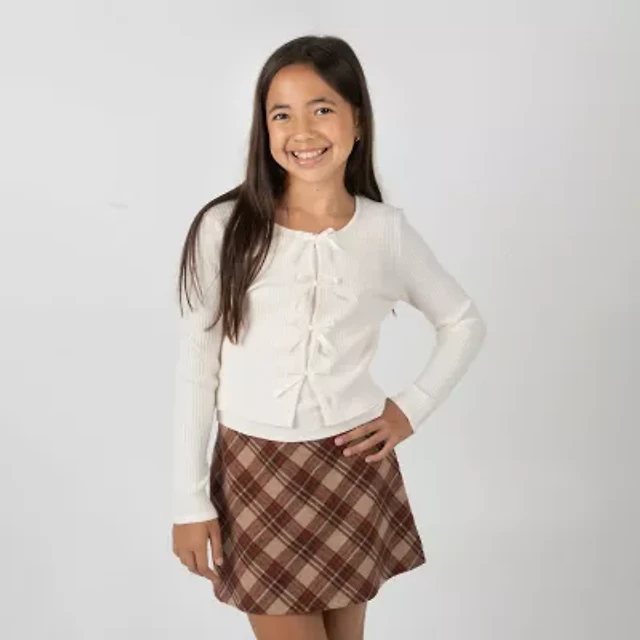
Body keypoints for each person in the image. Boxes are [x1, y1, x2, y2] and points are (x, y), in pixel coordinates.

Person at [170, 34, 487, 640]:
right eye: (281, 115)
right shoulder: (225, 227)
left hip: (351, 463)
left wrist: (408, 410)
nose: (302, 131)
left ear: (357, 121)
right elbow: (196, 366)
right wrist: (190, 501)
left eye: (321, 109)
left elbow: (463, 322)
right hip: (254, 470)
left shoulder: (385, 231)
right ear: (263, 129)